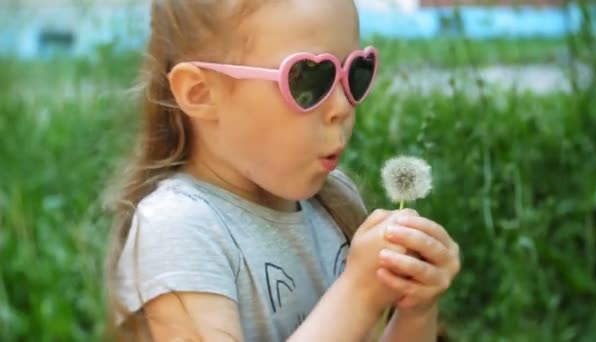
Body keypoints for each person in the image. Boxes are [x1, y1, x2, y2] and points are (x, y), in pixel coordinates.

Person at [104, 0, 461, 341]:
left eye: (355, 72)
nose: (341, 105)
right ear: (200, 93)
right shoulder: (178, 228)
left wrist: (416, 311)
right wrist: (359, 294)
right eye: (309, 79)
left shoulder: (334, 200)